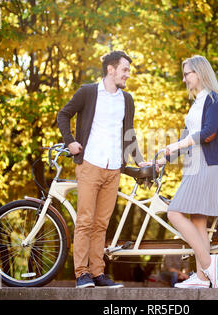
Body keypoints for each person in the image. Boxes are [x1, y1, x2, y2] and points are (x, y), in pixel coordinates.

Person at [57, 51, 148, 288]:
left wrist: (140, 161)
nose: (128, 74)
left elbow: (129, 135)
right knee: (85, 221)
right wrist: (70, 141)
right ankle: (81, 274)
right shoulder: (88, 92)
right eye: (125, 69)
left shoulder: (126, 99)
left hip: (113, 169)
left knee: (101, 224)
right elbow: (63, 115)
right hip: (90, 165)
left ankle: (98, 273)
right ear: (111, 69)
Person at [156, 55, 218, 288]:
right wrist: (162, 159)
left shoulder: (213, 99)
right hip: (193, 167)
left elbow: (208, 134)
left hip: (205, 166)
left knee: (174, 213)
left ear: (200, 72)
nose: (184, 77)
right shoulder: (197, 103)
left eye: (188, 73)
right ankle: (203, 278)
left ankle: (208, 264)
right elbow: (184, 139)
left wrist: (179, 145)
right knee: (198, 223)